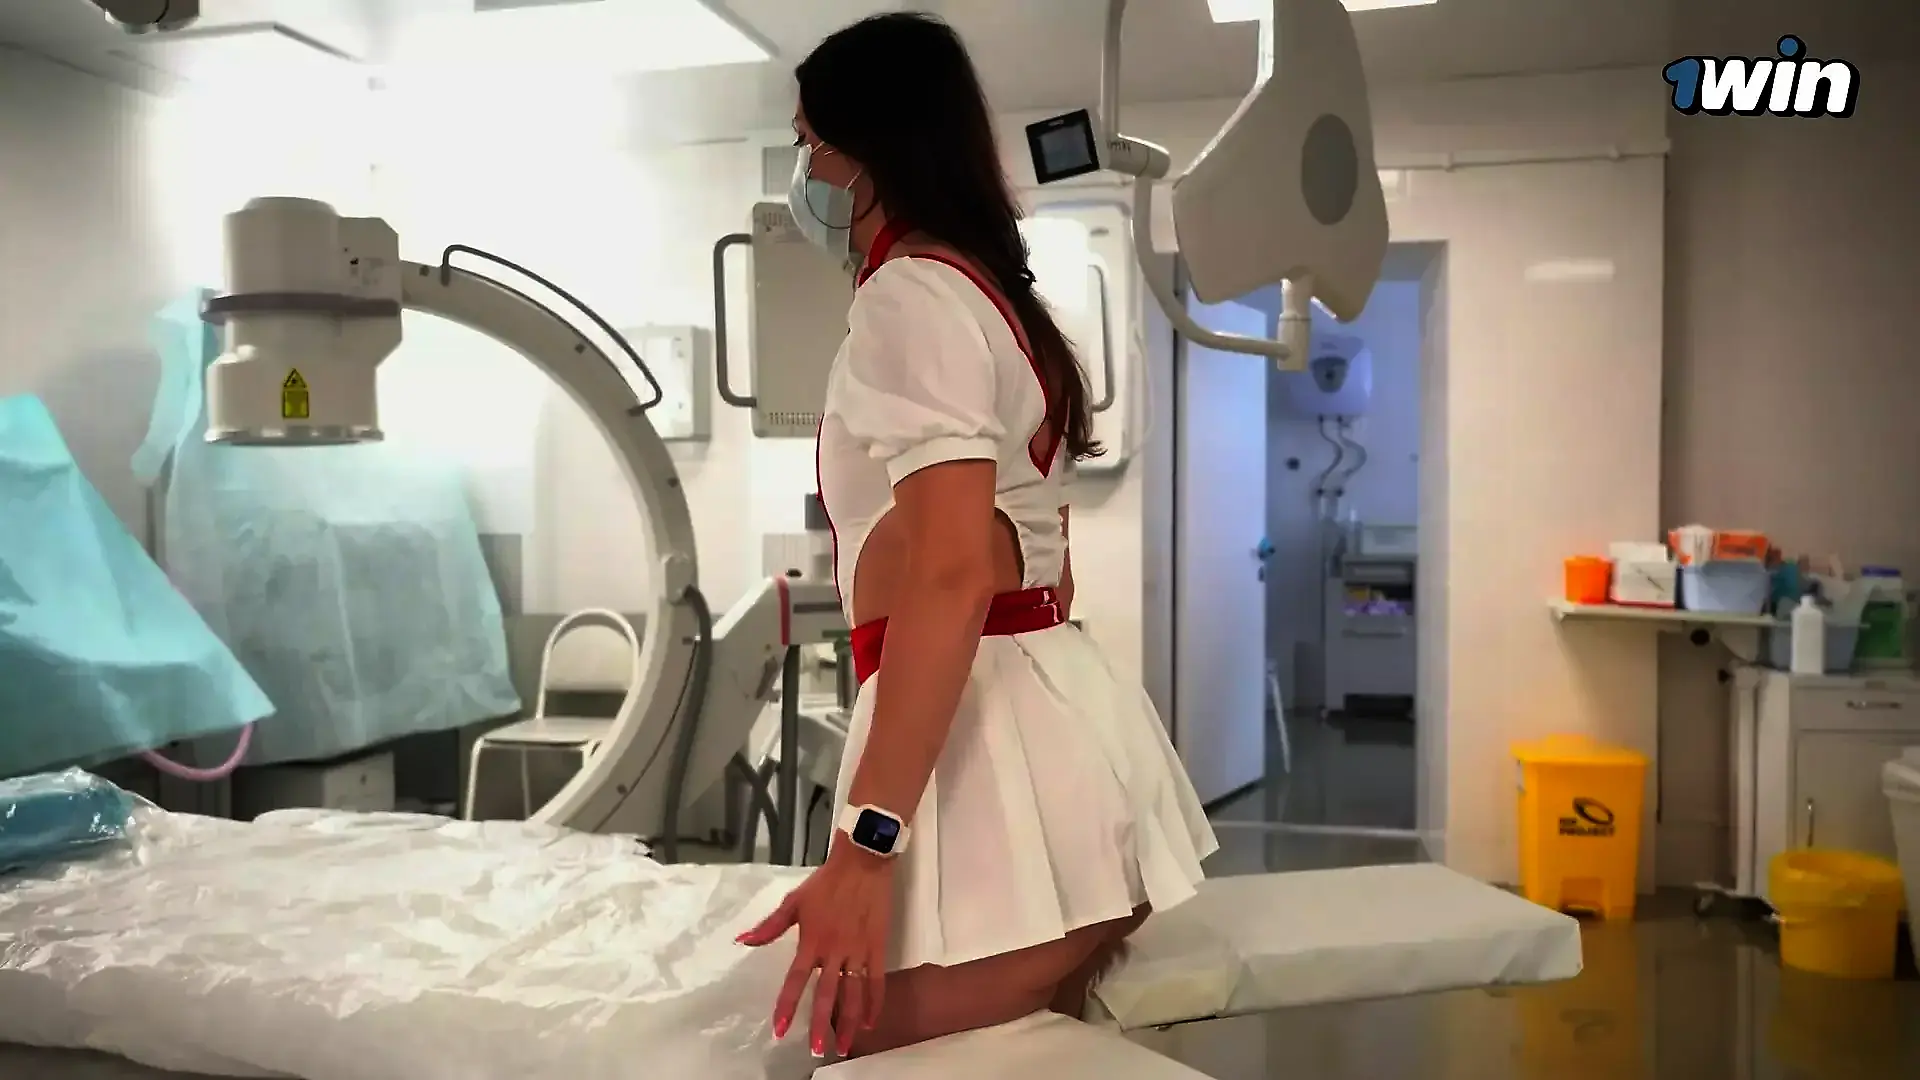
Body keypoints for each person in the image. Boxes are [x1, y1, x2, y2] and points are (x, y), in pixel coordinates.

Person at [735, 11, 1217, 1062]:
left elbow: (951, 576)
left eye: (811, 143)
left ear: (869, 151)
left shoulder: (910, 297)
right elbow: (1047, 564)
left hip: (991, 762)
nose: (804, 173)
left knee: (819, 1043)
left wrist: (865, 849)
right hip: (1064, 742)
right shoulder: (994, 295)